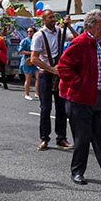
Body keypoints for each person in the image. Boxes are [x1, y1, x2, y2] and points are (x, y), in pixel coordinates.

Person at [56, 10, 101, 185]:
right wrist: (78, 84)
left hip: (95, 96)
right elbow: (63, 66)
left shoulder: (99, 44)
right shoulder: (80, 43)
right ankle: (77, 172)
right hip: (79, 97)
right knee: (82, 138)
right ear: (90, 25)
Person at [29, 11, 72, 151]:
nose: (53, 20)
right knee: (45, 108)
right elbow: (34, 58)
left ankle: (61, 138)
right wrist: (51, 69)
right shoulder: (38, 35)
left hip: (59, 74)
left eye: (54, 17)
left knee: (61, 108)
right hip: (45, 74)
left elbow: (77, 39)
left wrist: (69, 26)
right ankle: (44, 138)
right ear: (43, 20)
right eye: (50, 17)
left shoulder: (61, 31)